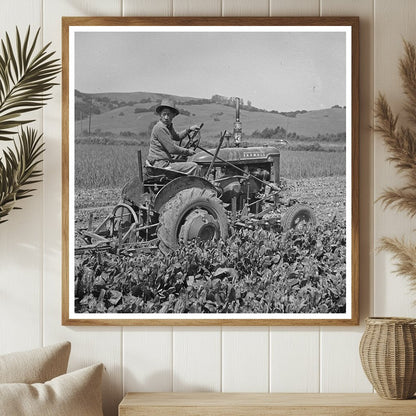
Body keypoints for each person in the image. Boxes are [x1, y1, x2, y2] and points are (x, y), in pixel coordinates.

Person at [146, 99, 201, 175]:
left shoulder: (168, 126)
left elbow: (177, 137)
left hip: (163, 162)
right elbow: (171, 149)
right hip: (160, 165)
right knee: (194, 166)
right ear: (160, 115)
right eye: (164, 114)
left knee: (184, 161)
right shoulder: (160, 128)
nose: (166, 117)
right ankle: (199, 186)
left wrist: (189, 129)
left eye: (168, 114)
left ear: (173, 115)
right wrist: (187, 152)